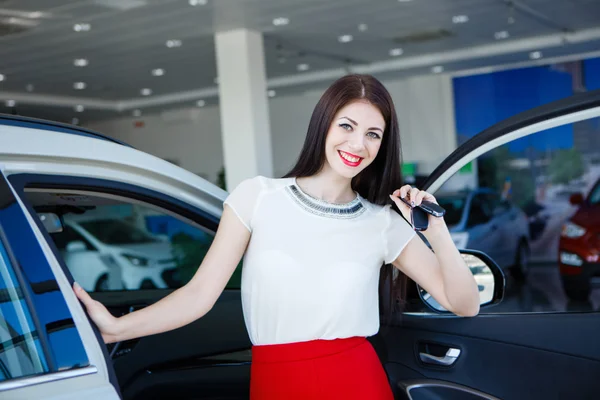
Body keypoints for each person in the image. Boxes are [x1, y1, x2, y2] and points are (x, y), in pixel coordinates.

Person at [74, 74, 480, 400]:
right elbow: (199, 296)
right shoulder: (258, 197)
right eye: (347, 126)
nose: (358, 143)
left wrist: (436, 228)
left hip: (357, 380)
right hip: (276, 380)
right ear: (324, 125)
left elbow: (464, 304)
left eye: (373, 134)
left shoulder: (382, 223)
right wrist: (115, 329)